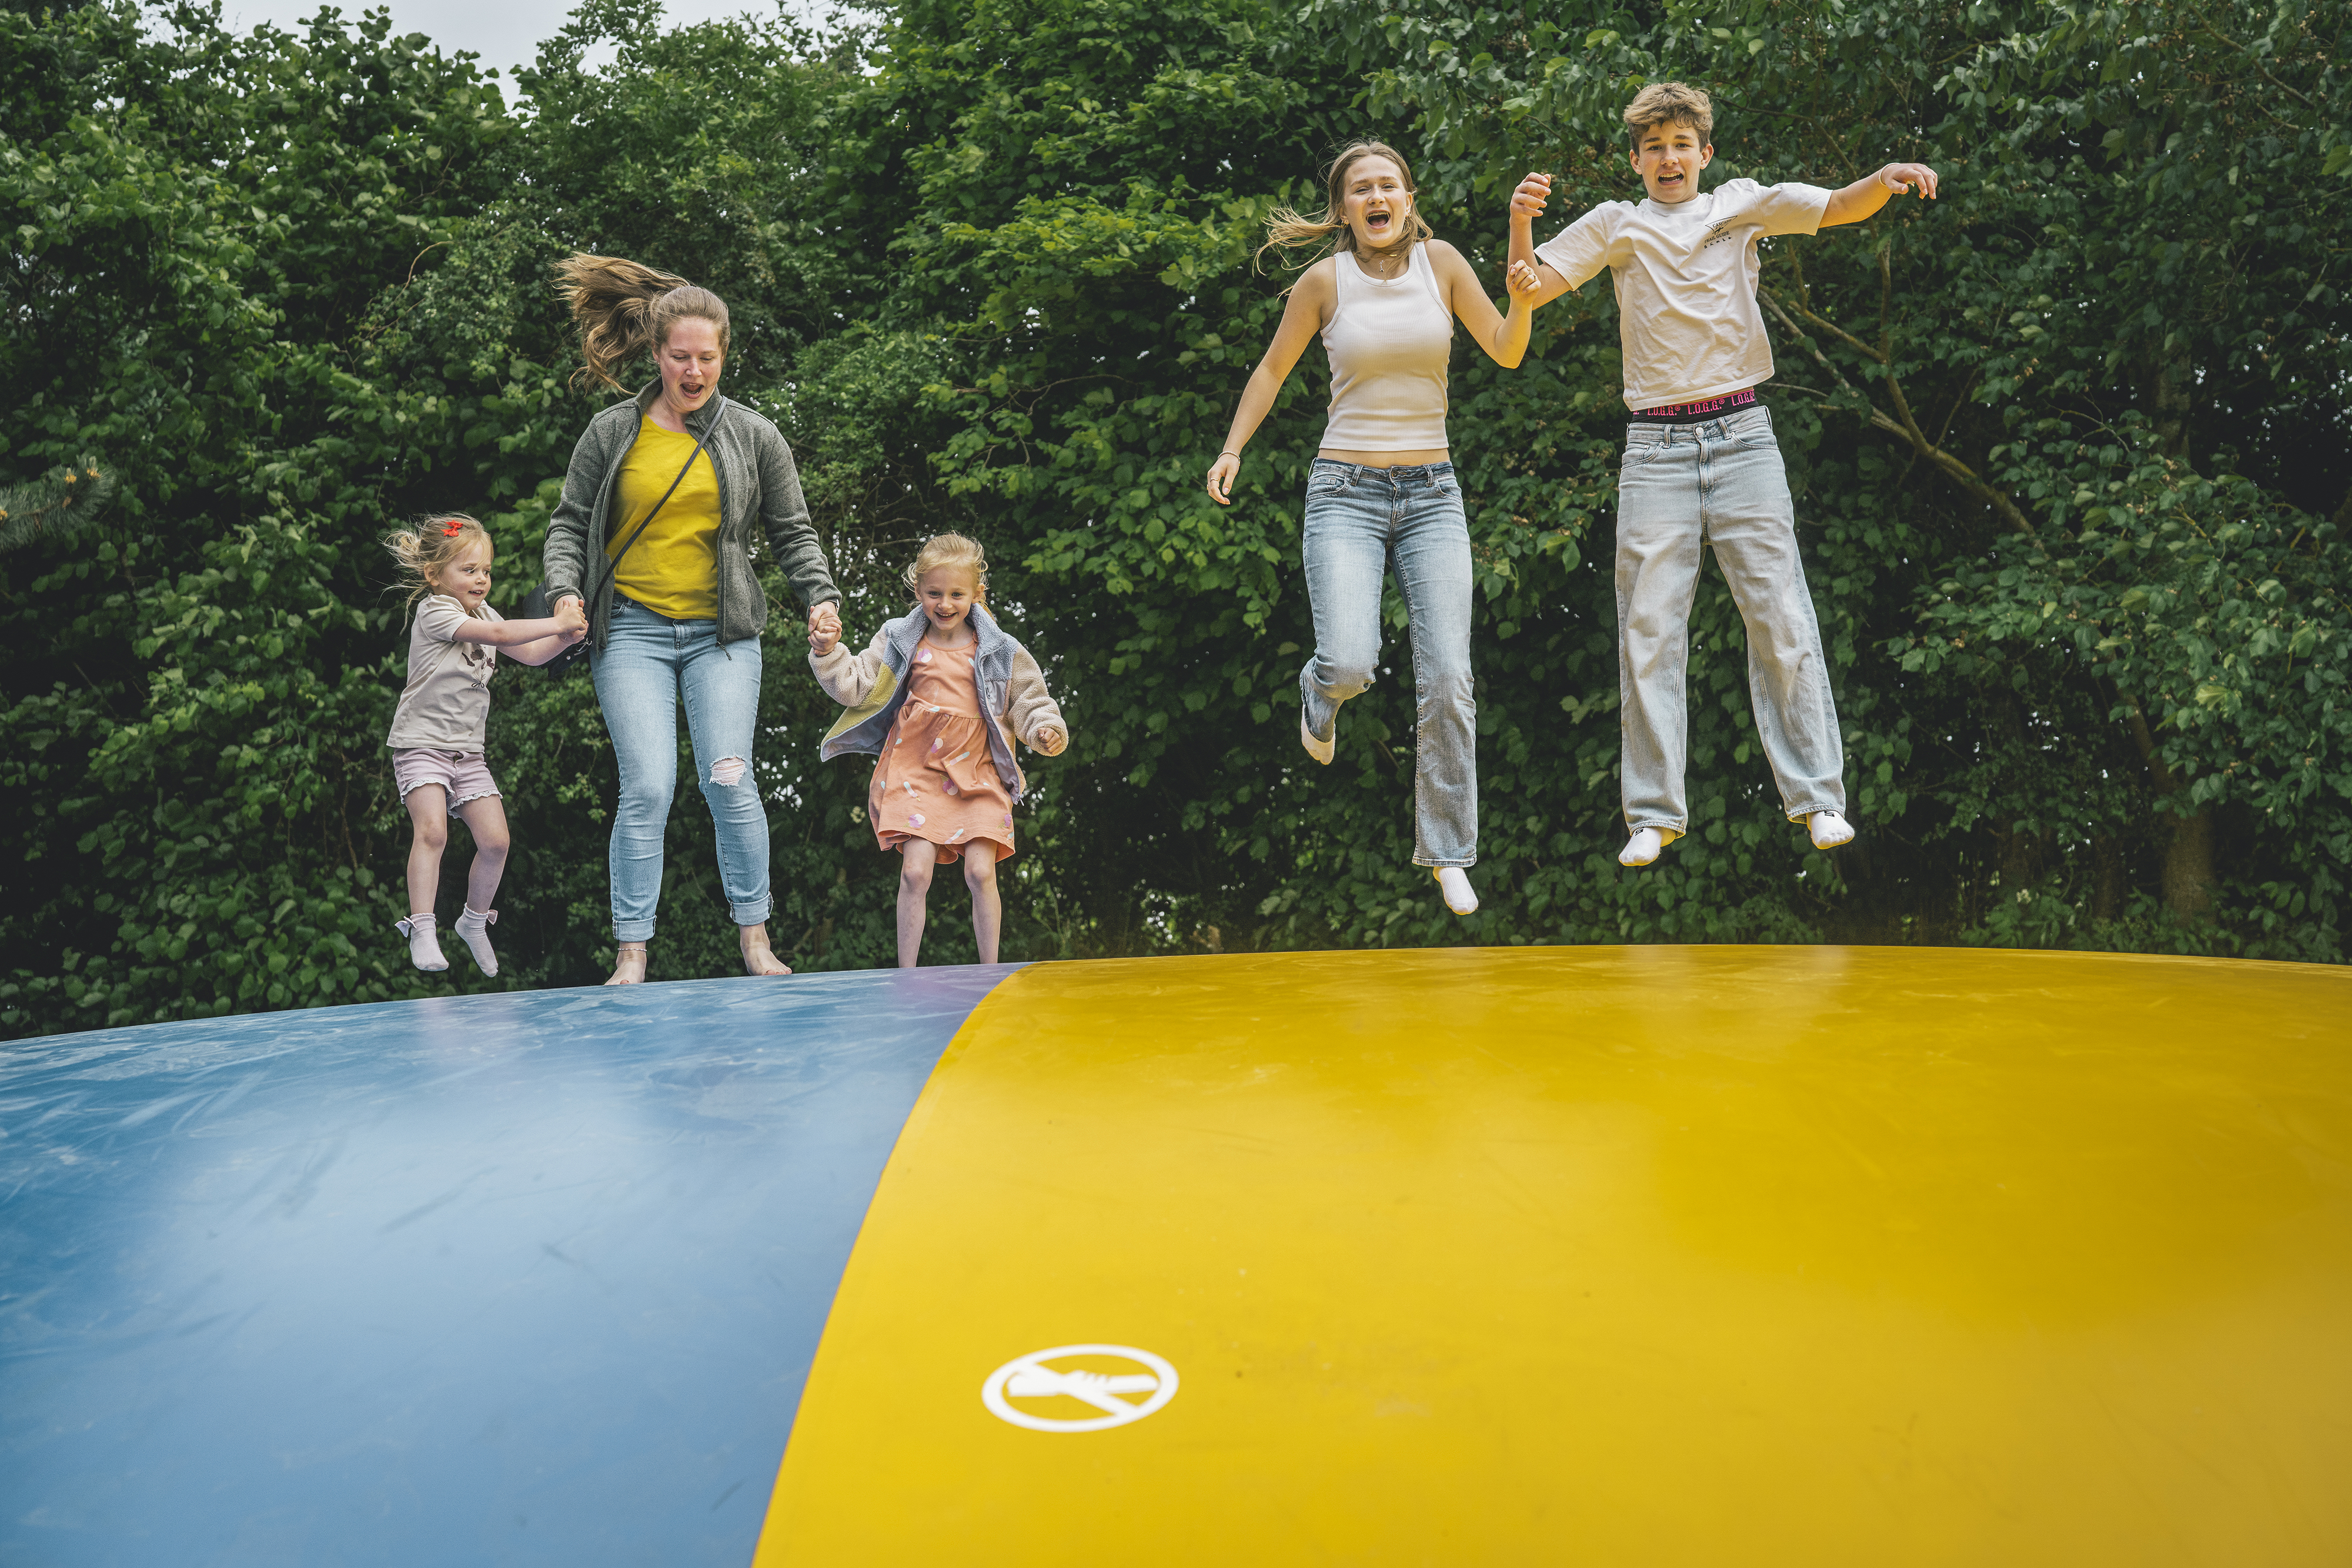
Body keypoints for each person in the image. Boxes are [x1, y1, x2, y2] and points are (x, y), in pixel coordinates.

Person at [1505, 83, 1939, 868]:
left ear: (1704, 154)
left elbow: (1838, 205)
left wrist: (1887, 175)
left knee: (1780, 616)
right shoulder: (1618, 225)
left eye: (1682, 144)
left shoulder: (1739, 206)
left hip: (1743, 440)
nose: (1668, 158)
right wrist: (1520, 221)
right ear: (1634, 159)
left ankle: (1818, 799)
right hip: (1655, 451)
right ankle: (1653, 814)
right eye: (1654, 147)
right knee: (1648, 630)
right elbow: (1528, 286)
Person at [1204, 139, 1539, 917]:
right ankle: (1320, 693)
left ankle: (1449, 851)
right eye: (1361, 189)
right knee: (1351, 661)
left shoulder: (1445, 265)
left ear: (1410, 198)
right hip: (1345, 493)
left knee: (1450, 674)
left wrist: (1523, 300)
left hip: (1433, 494)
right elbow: (1270, 370)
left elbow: (1506, 350)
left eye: (1388, 184)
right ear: (1344, 209)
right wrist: (1231, 450)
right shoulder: (1325, 282)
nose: (1376, 197)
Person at [539, 256, 845, 984]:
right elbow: (568, 523)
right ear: (656, 354)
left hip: (724, 634)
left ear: (723, 356)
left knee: (729, 778)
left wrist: (822, 597)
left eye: (707, 357)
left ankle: (756, 942)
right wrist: (563, 592)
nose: (694, 369)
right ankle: (632, 953)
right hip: (633, 633)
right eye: (680, 356)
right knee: (647, 785)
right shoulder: (613, 432)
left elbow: (793, 530)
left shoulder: (754, 435)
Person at [807, 534, 1067, 968]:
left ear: (976, 594)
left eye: (956, 594)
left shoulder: (1000, 650)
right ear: (918, 591)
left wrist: (1044, 728)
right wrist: (826, 651)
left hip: (978, 771)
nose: (945, 603)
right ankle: (906, 972)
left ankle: (991, 973)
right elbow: (858, 685)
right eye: (934, 593)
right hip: (919, 770)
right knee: (914, 872)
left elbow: (1030, 699)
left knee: (981, 871)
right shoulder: (900, 640)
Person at [383, 514, 587, 974]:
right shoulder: (436, 610)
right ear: (436, 575)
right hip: (421, 745)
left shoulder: (486, 613)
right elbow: (499, 637)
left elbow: (532, 654)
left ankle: (474, 922)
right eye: (468, 569)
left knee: (496, 842)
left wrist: (570, 635)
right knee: (433, 830)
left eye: (486, 570)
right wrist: (555, 622)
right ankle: (422, 926)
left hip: (467, 754)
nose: (481, 579)